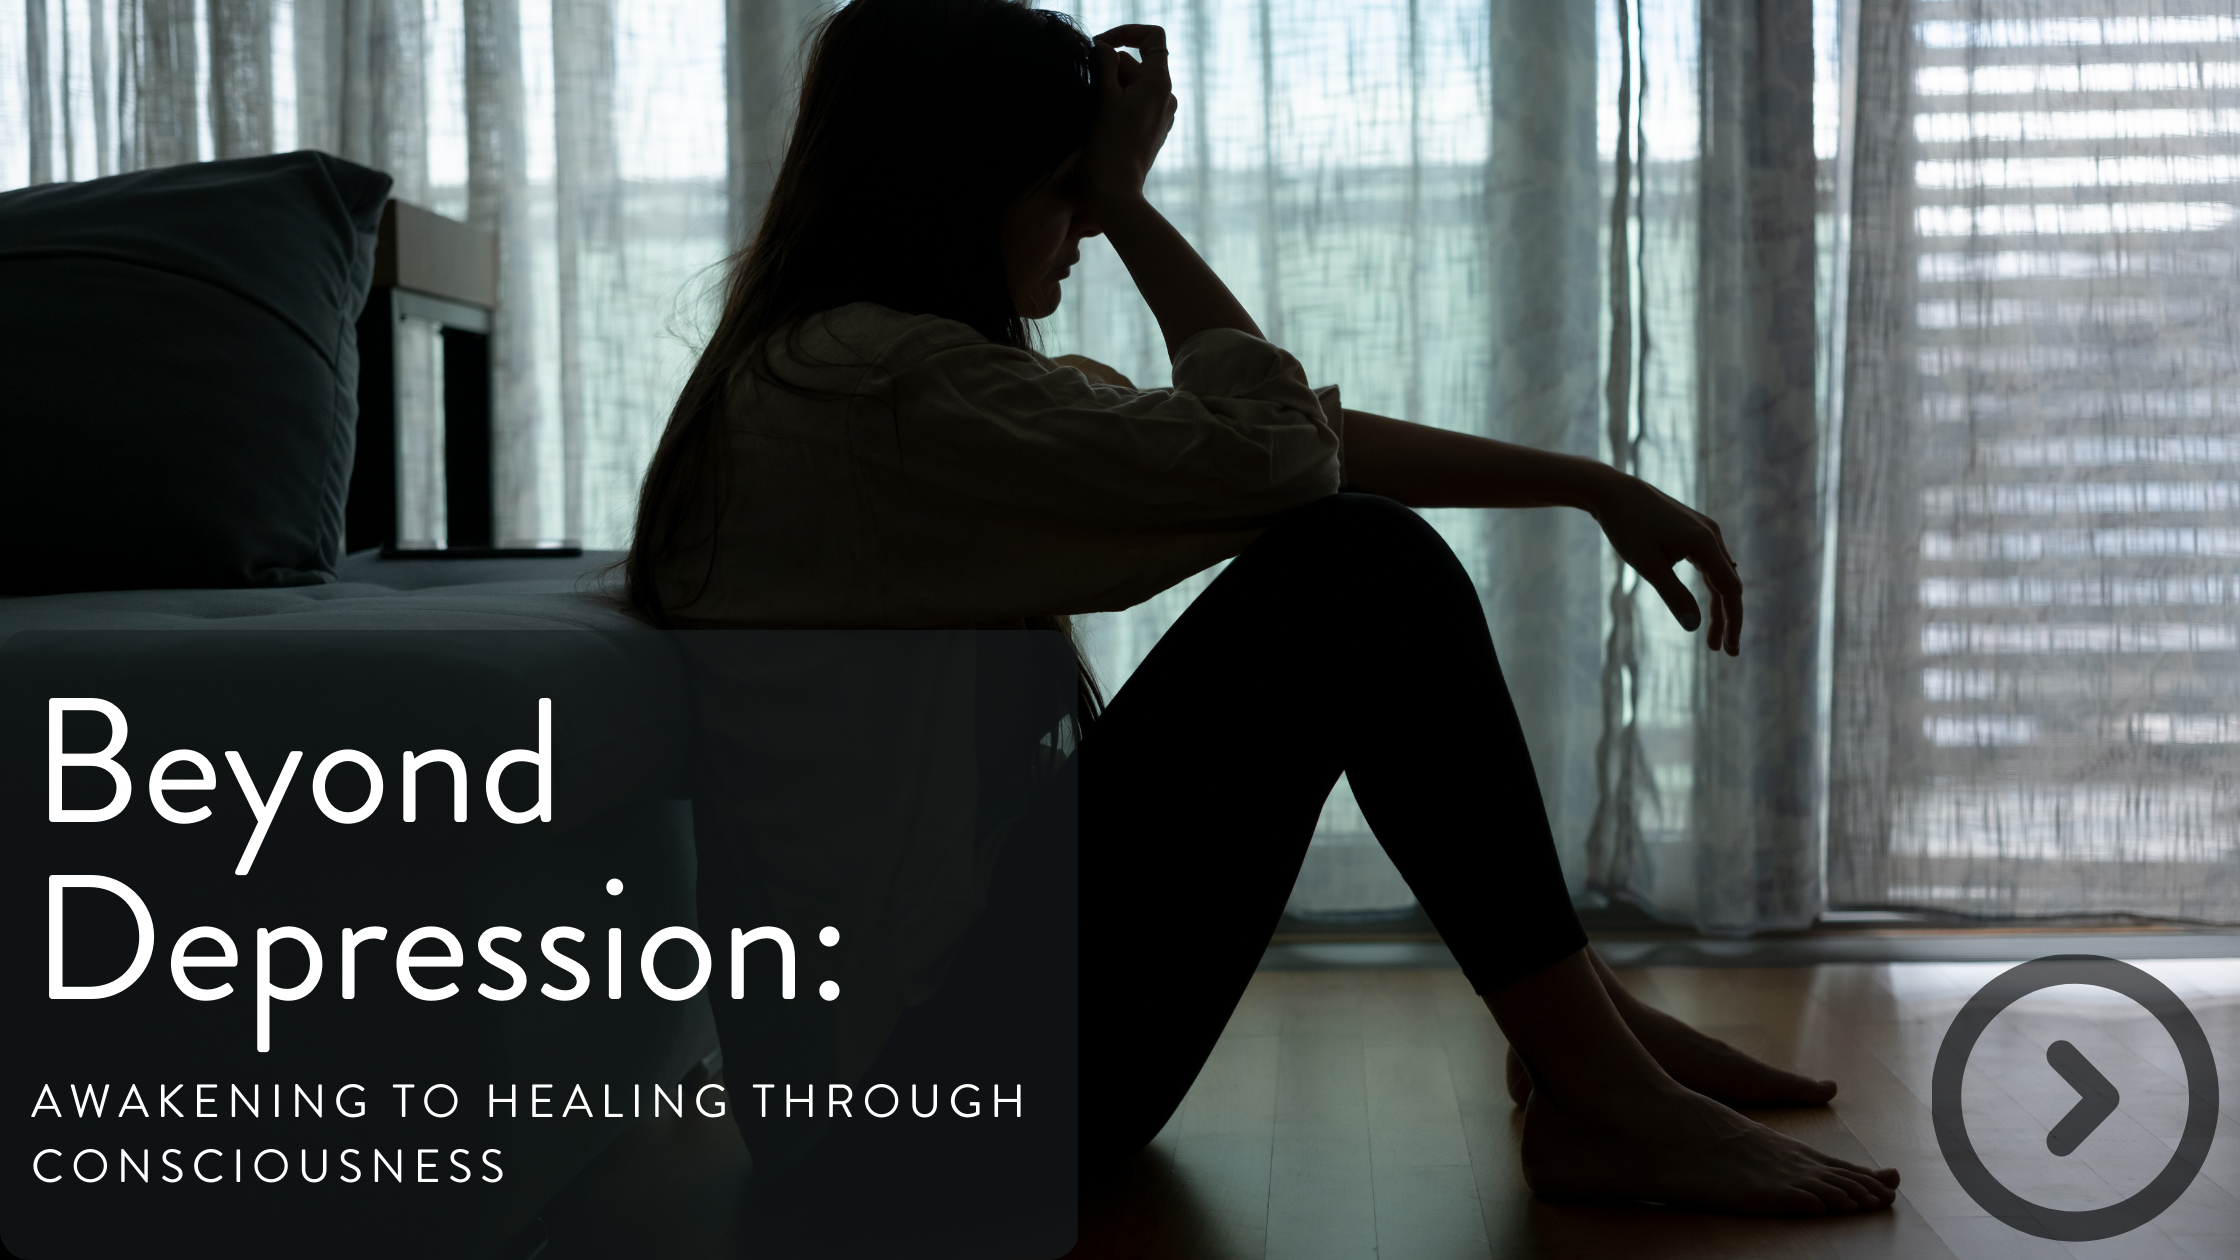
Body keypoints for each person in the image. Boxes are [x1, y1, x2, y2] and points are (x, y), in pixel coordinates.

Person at [624, 0, 1900, 1225]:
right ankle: (1597, 1082)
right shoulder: (881, 396)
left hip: (906, 1090)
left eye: (1087, 192)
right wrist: (1133, 205)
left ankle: (1584, 1039)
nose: (1075, 227)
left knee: (1349, 560)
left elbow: (1266, 445)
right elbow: (1277, 453)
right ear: (972, 179)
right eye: (1065, 188)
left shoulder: (854, 378)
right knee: (1355, 573)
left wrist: (1585, 486)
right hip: (925, 1122)